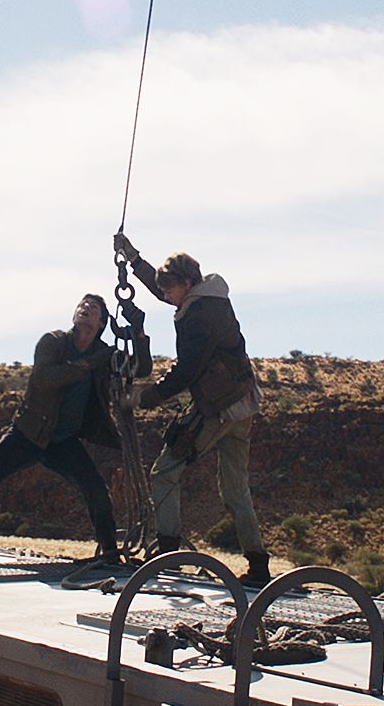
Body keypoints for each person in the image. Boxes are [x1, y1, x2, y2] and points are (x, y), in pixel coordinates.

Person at [0, 294, 149, 565]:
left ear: (101, 323)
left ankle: (110, 553)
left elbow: (141, 368)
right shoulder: (53, 342)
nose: (86, 308)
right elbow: (44, 379)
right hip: (27, 433)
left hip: (64, 441)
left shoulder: (104, 354)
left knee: (97, 490)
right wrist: (87, 365)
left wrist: (139, 331)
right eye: (82, 305)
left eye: (94, 307)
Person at [114, 234, 270, 585]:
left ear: (186, 284)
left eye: (171, 291)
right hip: (243, 404)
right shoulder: (207, 298)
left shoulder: (198, 317)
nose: (166, 297)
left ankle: (169, 556)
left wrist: (143, 397)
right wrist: (133, 257)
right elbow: (159, 287)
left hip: (219, 408)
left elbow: (186, 371)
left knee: (165, 471)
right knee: (235, 488)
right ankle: (258, 566)